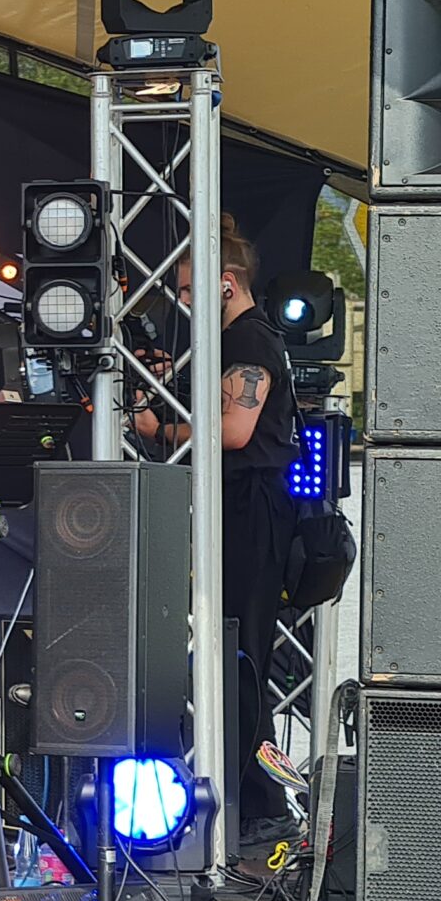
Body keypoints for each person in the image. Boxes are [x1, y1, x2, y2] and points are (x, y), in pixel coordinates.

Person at [130, 214, 299, 851]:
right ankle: (241, 798)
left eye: (187, 289)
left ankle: (265, 806)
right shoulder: (228, 343)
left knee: (243, 656)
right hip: (232, 507)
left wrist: (159, 431)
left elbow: (233, 431)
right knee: (222, 654)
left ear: (225, 283)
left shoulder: (250, 342)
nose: (182, 301)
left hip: (253, 512)